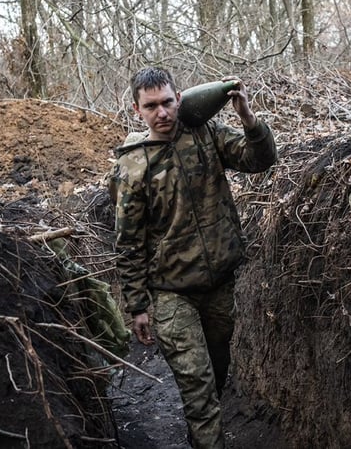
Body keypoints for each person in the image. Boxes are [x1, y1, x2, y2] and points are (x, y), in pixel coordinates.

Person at [109, 67, 278, 448]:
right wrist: (137, 305)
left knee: (216, 377)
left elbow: (260, 160)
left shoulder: (206, 134)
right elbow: (129, 242)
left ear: (179, 99)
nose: (162, 113)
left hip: (219, 284)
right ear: (138, 110)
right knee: (198, 390)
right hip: (171, 295)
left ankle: (200, 435)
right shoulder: (133, 167)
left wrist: (249, 119)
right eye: (151, 106)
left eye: (167, 102)